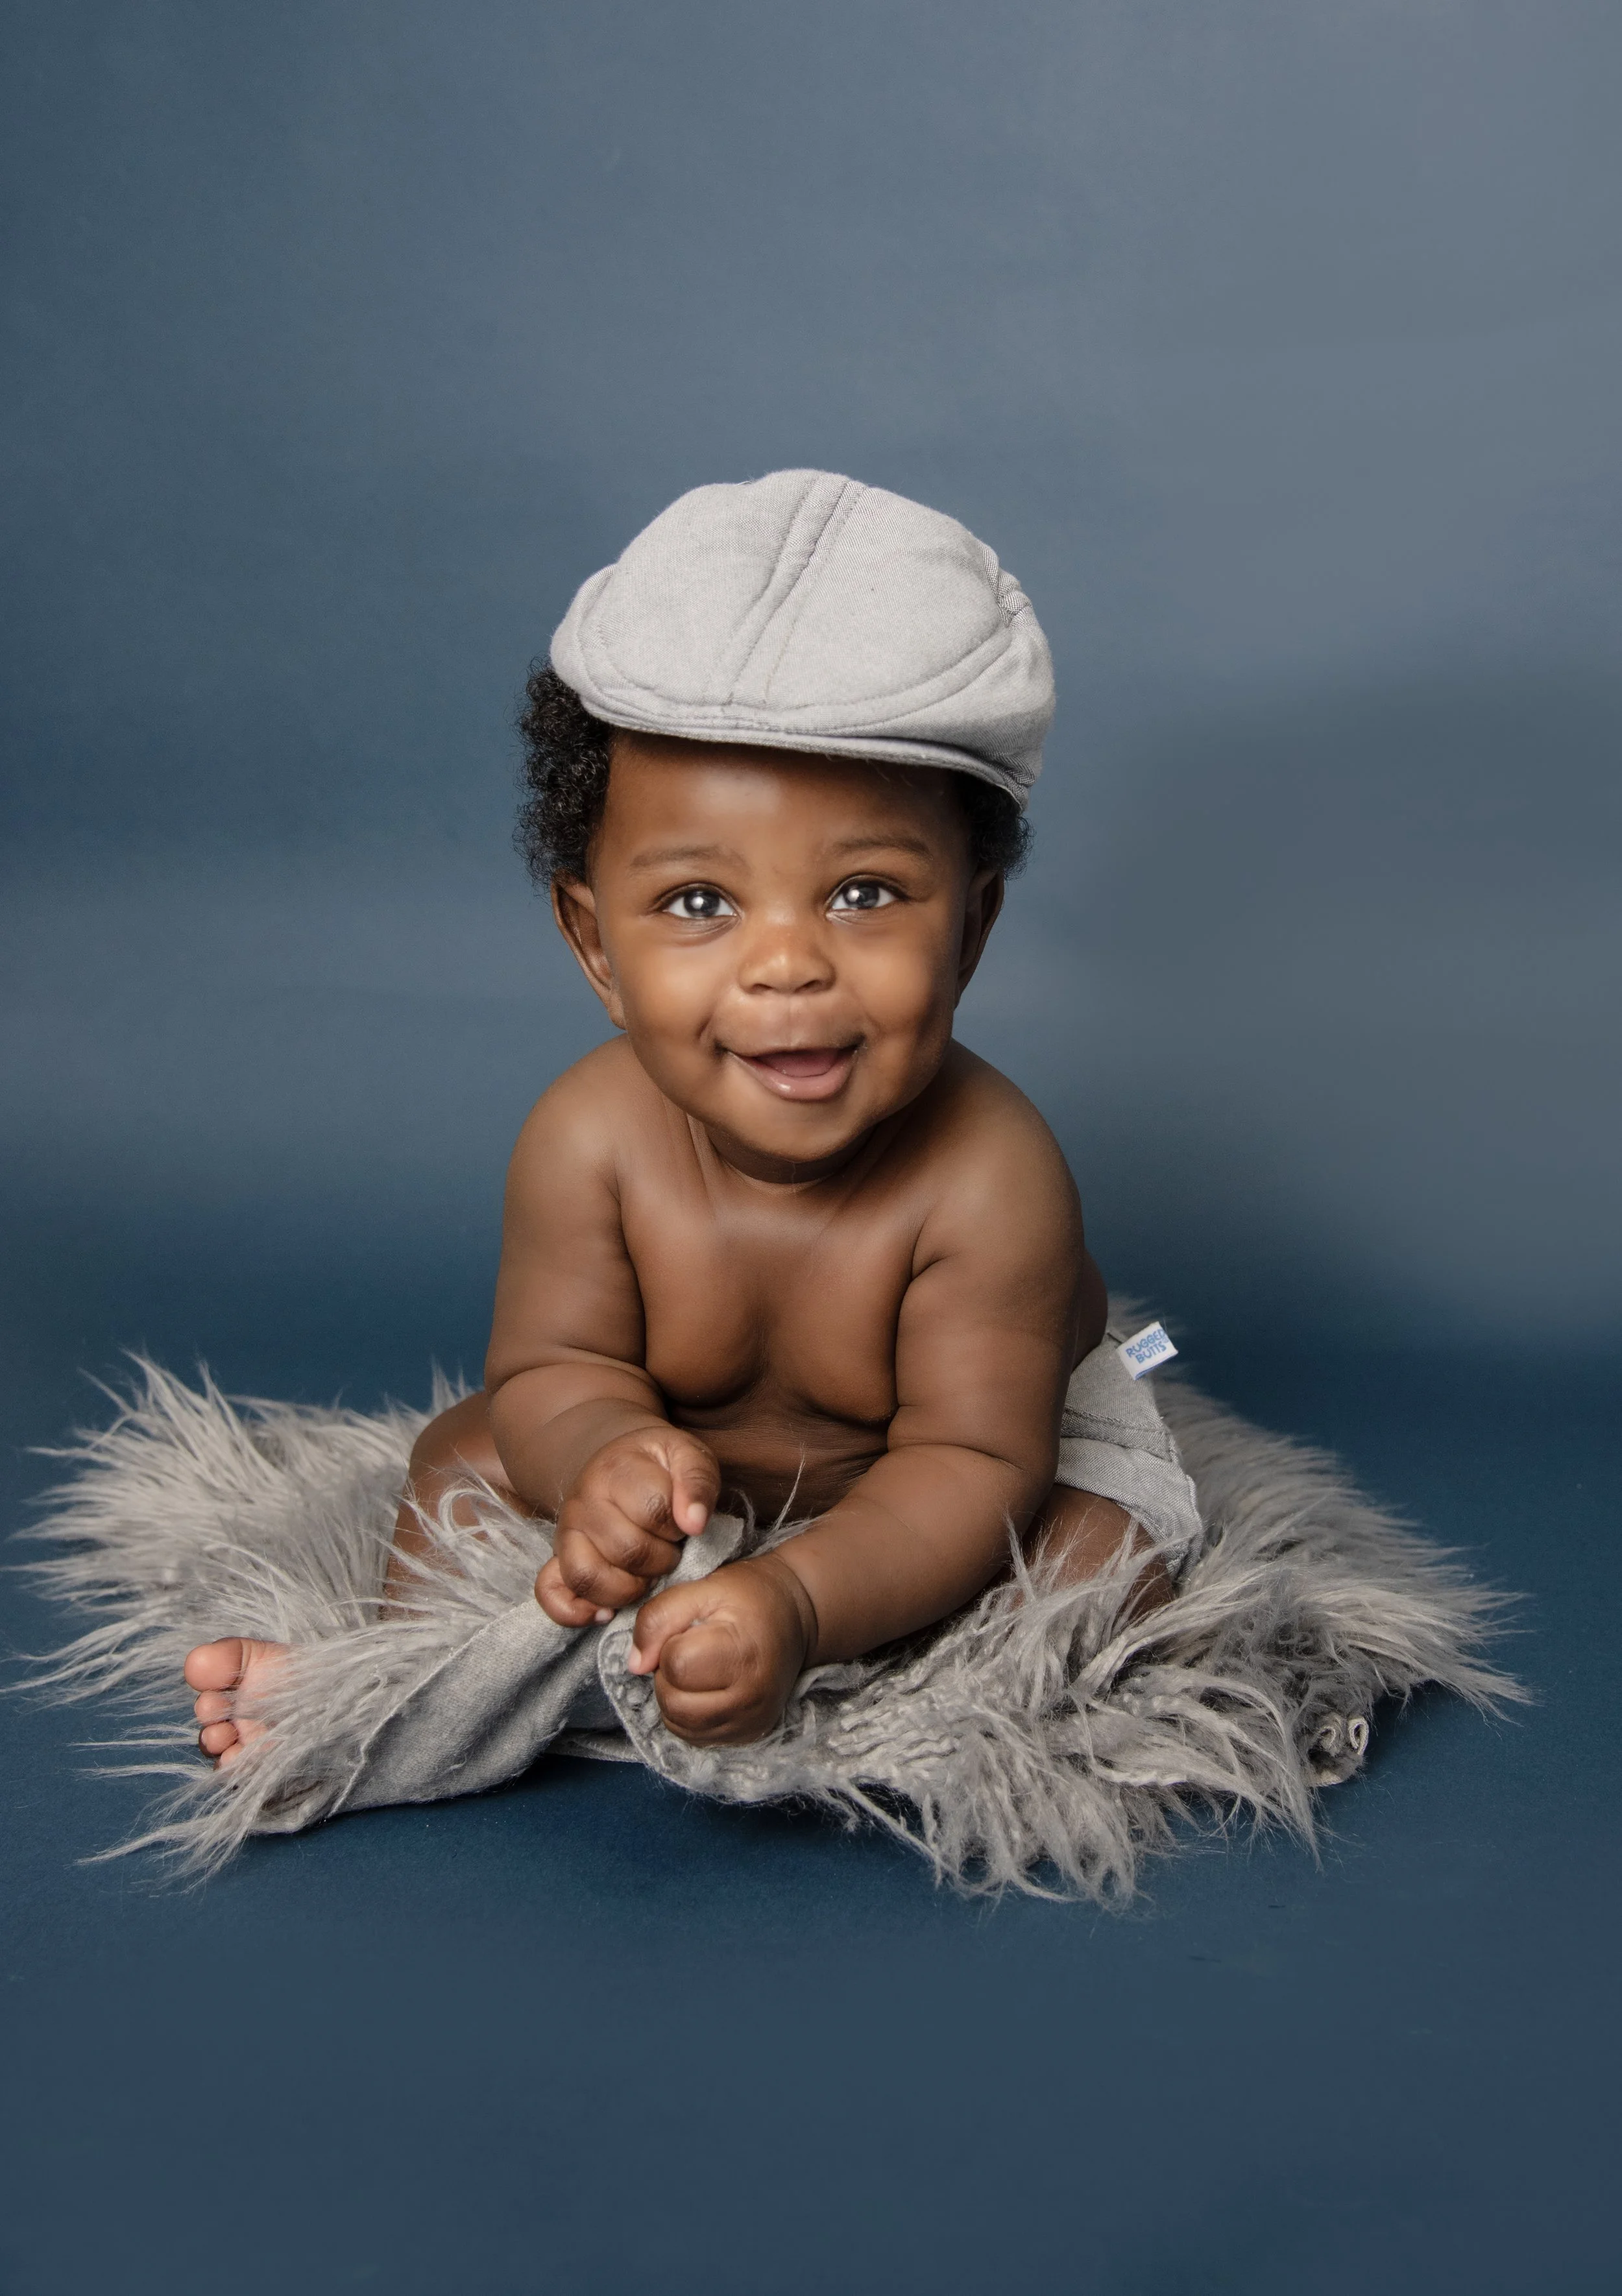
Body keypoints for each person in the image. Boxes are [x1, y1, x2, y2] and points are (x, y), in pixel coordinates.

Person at [183, 472, 1186, 1769]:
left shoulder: (989, 1177)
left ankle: (816, 1700)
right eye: (701, 904)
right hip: (696, 1461)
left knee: (1097, 1559)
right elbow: (550, 1370)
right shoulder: (588, 1139)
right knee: (461, 1460)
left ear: (971, 930)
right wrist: (605, 1454)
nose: (784, 968)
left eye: (864, 892)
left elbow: (968, 1460)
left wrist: (800, 1596)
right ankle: (416, 1688)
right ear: (593, 944)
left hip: (961, 1464)